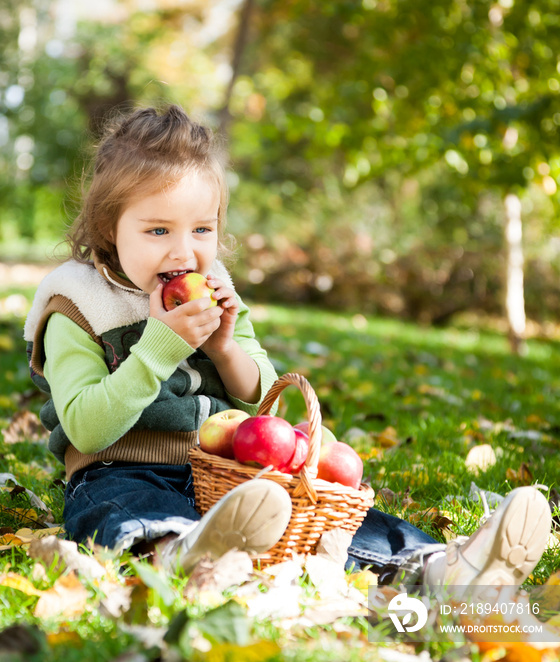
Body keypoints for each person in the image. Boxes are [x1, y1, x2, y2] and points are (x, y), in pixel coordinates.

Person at [24, 104, 552, 588]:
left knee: (312, 512)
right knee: (128, 511)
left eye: (202, 229)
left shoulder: (214, 291)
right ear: (109, 228)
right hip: (121, 469)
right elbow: (86, 428)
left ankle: (442, 565)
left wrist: (228, 349)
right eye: (158, 229)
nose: (184, 251)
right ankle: (187, 554)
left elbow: (261, 401)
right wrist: (160, 347)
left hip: (223, 470)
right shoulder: (78, 302)